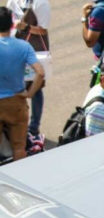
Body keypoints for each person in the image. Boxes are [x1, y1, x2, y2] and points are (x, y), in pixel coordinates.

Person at [0, 6, 42, 161]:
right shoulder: (23, 46)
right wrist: (29, 93)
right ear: (12, 24)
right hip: (17, 101)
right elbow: (40, 72)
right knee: (19, 147)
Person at [8, 0, 48, 151]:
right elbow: (6, 21)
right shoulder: (13, 2)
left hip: (34, 48)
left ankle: (34, 127)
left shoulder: (41, 4)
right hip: (14, 47)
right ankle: (21, 129)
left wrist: (26, 27)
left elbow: (43, 30)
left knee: (36, 89)